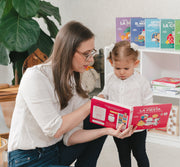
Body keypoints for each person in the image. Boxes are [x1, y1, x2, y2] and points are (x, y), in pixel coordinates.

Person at [7, 21, 135, 167]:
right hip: (28, 159)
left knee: (97, 117)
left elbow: (70, 137)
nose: (91, 60)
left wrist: (107, 130)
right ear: (68, 51)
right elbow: (55, 130)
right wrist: (92, 103)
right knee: (92, 107)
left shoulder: (74, 81)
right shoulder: (35, 77)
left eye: (92, 53)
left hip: (55, 151)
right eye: (86, 54)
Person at [99, 41, 153, 167]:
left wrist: (148, 119)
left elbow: (148, 100)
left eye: (126, 68)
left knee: (139, 153)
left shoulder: (141, 81)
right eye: (117, 68)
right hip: (118, 127)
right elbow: (105, 93)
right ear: (111, 63)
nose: (121, 72)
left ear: (135, 64)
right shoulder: (110, 78)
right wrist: (101, 96)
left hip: (137, 128)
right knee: (123, 154)